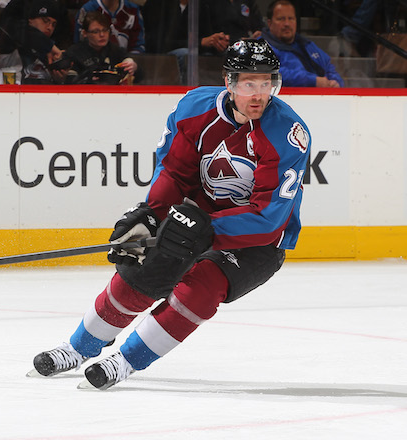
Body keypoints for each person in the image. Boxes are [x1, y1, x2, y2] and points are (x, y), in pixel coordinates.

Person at [30, 39, 311, 390]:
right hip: (193, 220)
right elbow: (175, 173)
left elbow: (267, 219)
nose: (258, 94)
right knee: (142, 274)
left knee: (201, 287)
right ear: (229, 81)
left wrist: (204, 231)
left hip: (255, 243)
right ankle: (78, 347)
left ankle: (127, 360)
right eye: (247, 83)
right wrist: (150, 214)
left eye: (266, 83)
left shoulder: (287, 134)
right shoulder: (195, 108)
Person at [262, 0, 344, 88]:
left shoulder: (306, 44)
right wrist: (313, 81)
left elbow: (328, 65)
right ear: (269, 23)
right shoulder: (262, 48)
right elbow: (270, 74)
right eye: (281, 19)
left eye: (291, 18)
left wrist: (335, 82)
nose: (287, 24)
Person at [0, 0, 67, 84]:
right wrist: (49, 46)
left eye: (53, 25)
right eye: (45, 21)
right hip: (11, 95)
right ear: (29, 20)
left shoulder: (50, 57)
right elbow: (10, 25)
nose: (49, 27)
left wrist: (59, 80)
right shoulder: (8, 45)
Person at [62, 11, 138, 84]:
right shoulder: (74, 52)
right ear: (85, 33)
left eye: (105, 30)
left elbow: (140, 76)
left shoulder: (115, 50)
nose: (102, 35)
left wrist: (133, 67)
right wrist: (87, 79)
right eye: (96, 31)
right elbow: (70, 82)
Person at [74, 0, 145, 54]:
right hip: (93, 62)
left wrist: (129, 61)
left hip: (127, 62)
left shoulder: (133, 10)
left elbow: (138, 45)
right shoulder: (88, 9)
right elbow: (79, 43)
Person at [198, 0, 264, 55]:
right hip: (212, 55)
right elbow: (191, 39)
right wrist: (203, 41)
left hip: (244, 52)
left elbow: (260, 28)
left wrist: (258, 35)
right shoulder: (204, 3)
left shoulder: (248, 2)